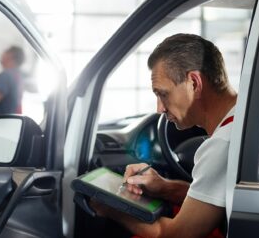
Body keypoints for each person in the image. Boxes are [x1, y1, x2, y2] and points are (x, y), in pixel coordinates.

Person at [92, 33, 238, 238]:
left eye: (163, 94)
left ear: (194, 83)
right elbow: (216, 200)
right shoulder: (245, 118)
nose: (159, 108)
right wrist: (164, 187)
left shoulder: (223, 144)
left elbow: (174, 235)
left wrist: (111, 208)